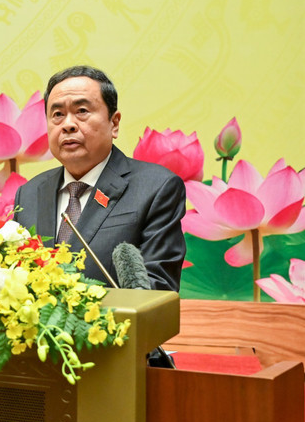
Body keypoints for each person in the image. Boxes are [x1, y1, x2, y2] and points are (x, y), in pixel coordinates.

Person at [14, 65, 186, 291]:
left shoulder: (156, 187)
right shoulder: (29, 194)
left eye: (82, 111)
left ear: (114, 123)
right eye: (57, 115)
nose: (68, 125)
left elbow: (158, 287)